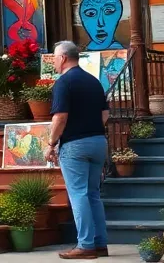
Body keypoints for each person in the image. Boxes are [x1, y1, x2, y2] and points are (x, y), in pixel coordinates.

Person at [45, 41, 110, 260]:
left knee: (78, 194)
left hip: (75, 145)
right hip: (98, 142)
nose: (53, 61)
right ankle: (100, 244)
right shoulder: (94, 81)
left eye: (54, 57)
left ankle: (85, 245)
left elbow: (60, 117)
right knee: (93, 194)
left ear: (63, 58)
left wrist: (51, 144)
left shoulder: (64, 83)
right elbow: (105, 115)